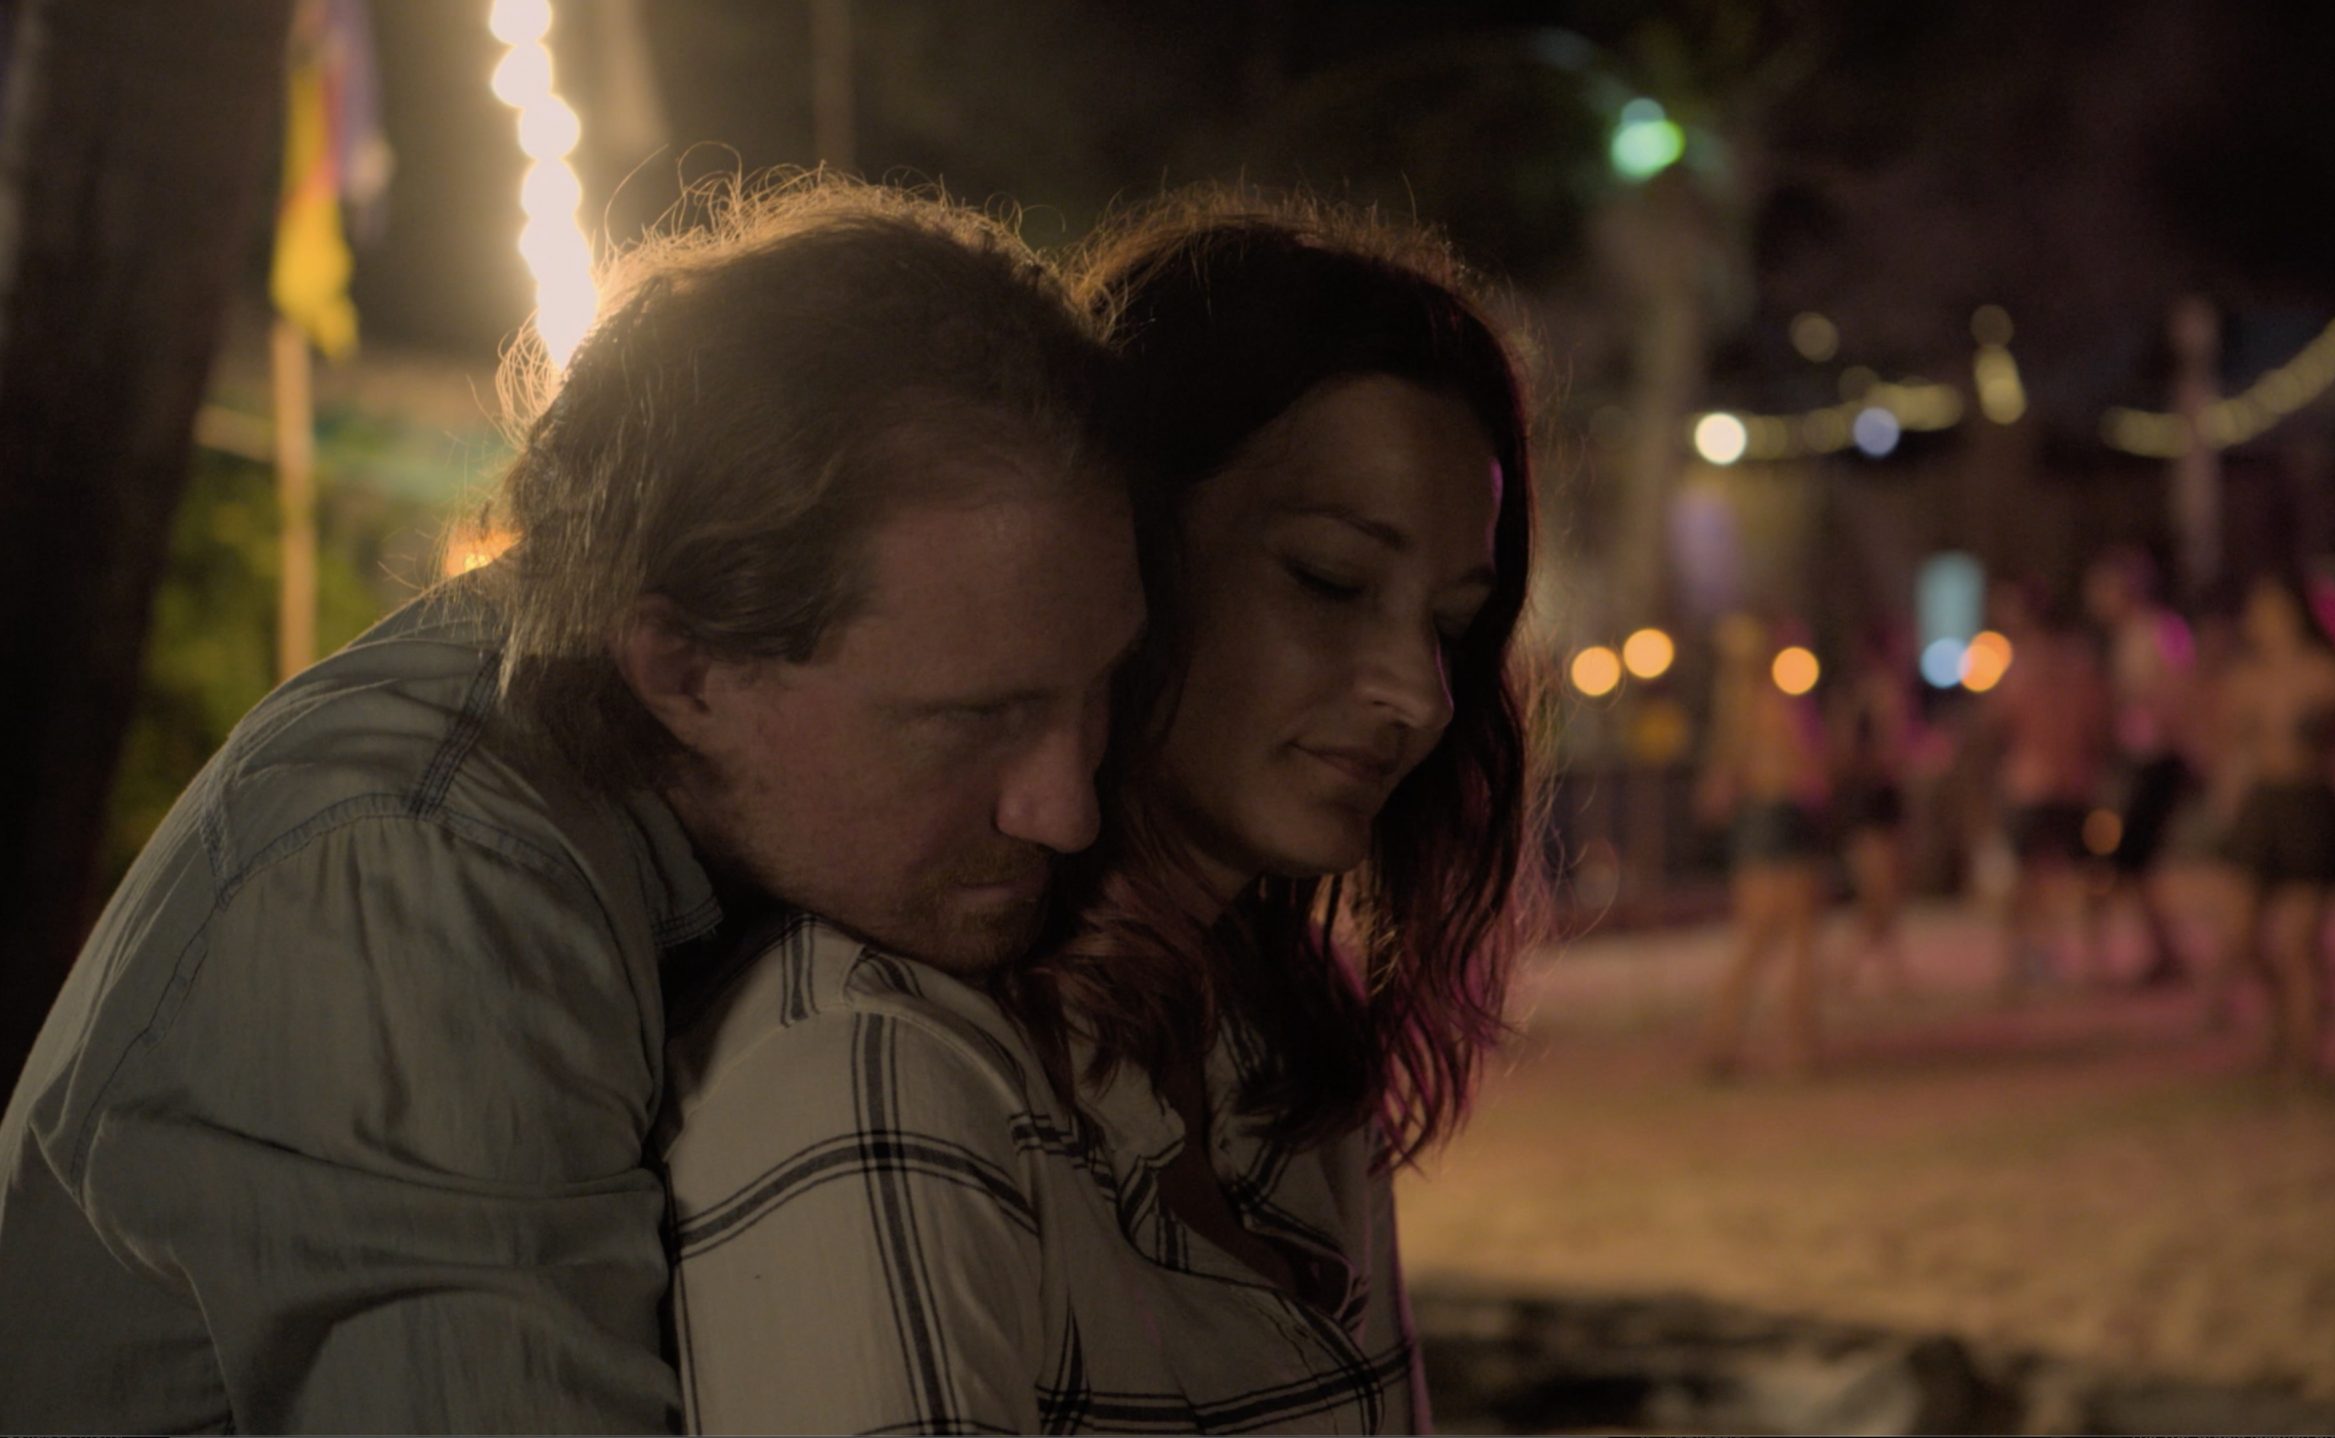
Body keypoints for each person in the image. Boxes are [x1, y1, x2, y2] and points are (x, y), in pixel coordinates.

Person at [0, 177, 1143, 1433]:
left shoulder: (663, 801)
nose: (1068, 809)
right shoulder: (416, 874)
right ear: (685, 670)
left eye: (1100, 687)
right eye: (975, 718)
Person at [653, 195, 1546, 1433]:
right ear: (1119, 549)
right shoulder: (885, 1064)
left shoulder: (1279, 1034)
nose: (1420, 691)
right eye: (1330, 579)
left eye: (1451, 623)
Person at [2205, 573, 2335, 1080]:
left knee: (2298, 943)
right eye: (2259, 611)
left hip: (2310, 808)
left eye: (2276, 610)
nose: (2266, 621)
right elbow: (2225, 748)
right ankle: (2279, 1013)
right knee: (2240, 934)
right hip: (2261, 808)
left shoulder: (2322, 672)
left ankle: (2304, 1058)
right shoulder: (2245, 680)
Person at [1693, 613, 1832, 1079]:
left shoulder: (1734, 711)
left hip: (1754, 823)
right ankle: (1797, 1044)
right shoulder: (1778, 703)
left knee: (1754, 940)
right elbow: (1810, 769)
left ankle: (1722, 1038)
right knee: (1799, 939)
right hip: (1785, 818)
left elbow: (1717, 792)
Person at [1979, 578, 2111, 997]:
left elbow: (1999, 721)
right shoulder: (2079, 660)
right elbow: (2099, 720)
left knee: (2022, 878)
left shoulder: (2019, 664)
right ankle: (2092, 961)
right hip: (2074, 780)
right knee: (2083, 874)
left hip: (2031, 783)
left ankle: (2015, 963)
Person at [2083, 547, 2201, 987]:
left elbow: (2180, 690)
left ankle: (2163, 953)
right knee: (2134, 862)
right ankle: (2165, 951)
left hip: (2159, 759)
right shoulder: (2124, 636)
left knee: (2128, 857)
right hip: (2136, 758)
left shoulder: (2160, 629)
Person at [1828, 620, 1916, 998]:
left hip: (1885, 799)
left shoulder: (1879, 693)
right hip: (1867, 801)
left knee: (1885, 893)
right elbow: (1850, 752)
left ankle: (1877, 971)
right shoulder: (1864, 696)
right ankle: (1851, 971)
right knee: (1878, 892)